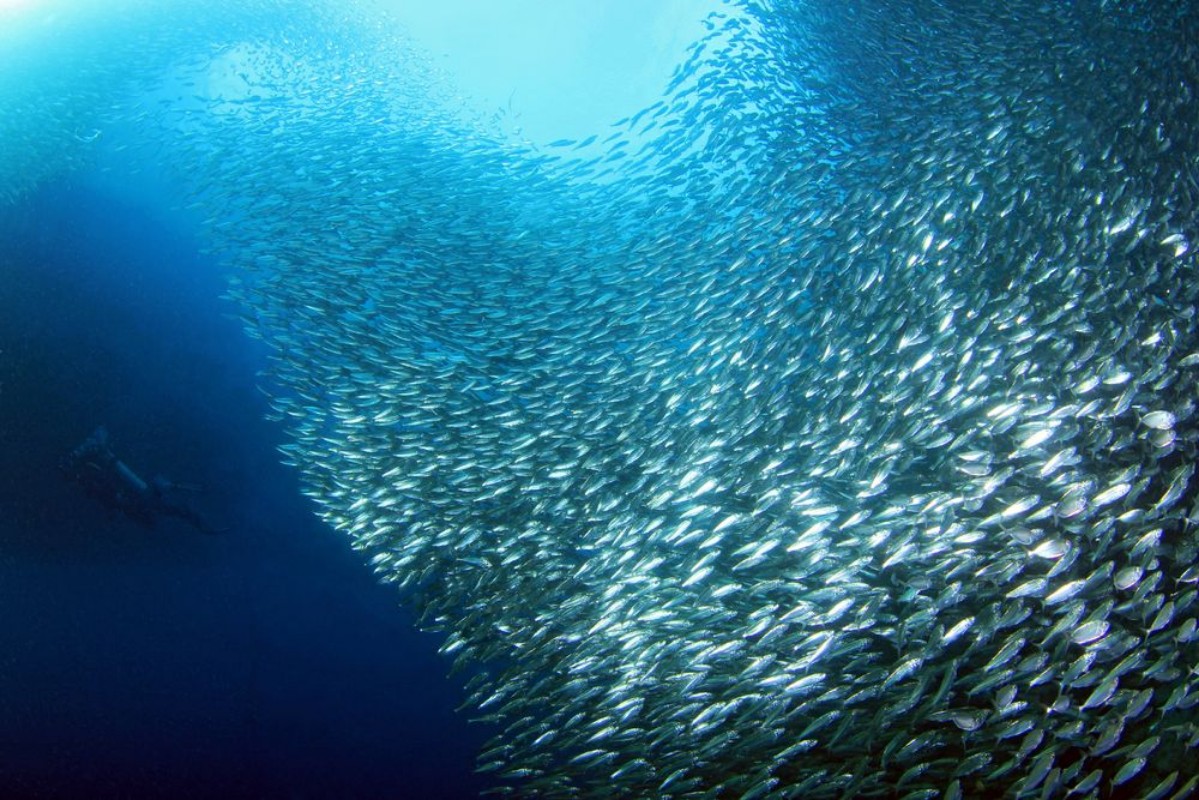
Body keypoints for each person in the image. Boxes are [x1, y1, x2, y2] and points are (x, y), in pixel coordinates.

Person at [59, 426, 224, 534]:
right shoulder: (149, 503)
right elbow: (108, 495)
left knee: (173, 506)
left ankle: (202, 502)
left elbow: (108, 496)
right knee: (174, 507)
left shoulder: (143, 504)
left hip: (139, 495)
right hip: (140, 495)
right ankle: (98, 451)